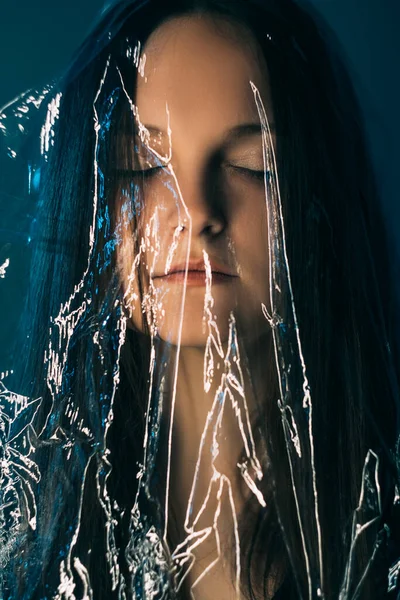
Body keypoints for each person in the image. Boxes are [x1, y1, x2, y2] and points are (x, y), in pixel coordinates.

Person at [0, 0, 399, 598]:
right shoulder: (22, 538)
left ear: (320, 210)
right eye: (139, 166)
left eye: (252, 166)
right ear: (84, 202)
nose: (193, 210)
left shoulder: (379, 533)